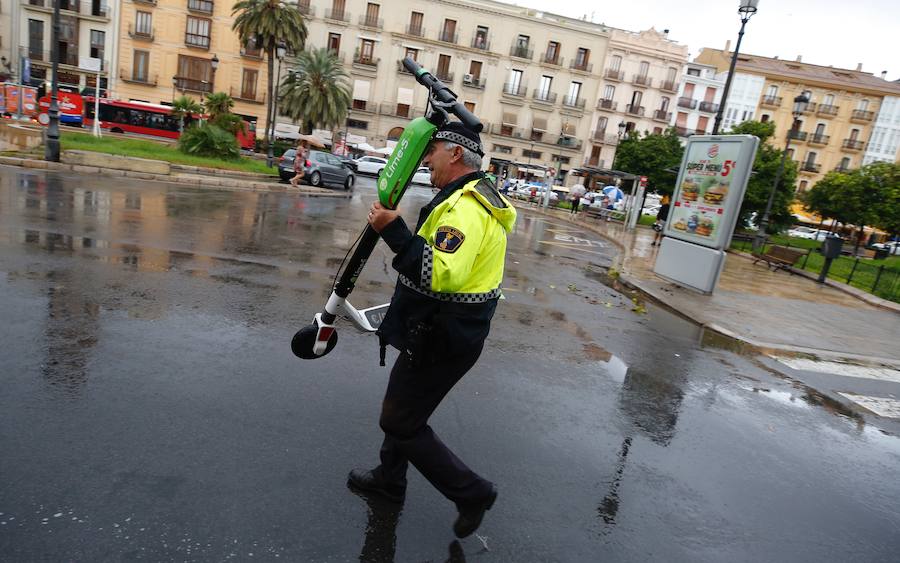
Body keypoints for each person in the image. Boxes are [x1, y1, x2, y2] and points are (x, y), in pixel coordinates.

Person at [350, 121, 517, 539]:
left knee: (401, 420)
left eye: (433, 150)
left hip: (444, 336)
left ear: (456, 154)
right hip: (437, 329)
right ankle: (390, 480)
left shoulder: (467, 208)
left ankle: (472, 492)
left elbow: (437, 274)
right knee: (403, 402)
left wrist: (392, 228)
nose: (426, 159)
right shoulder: (468, 195)